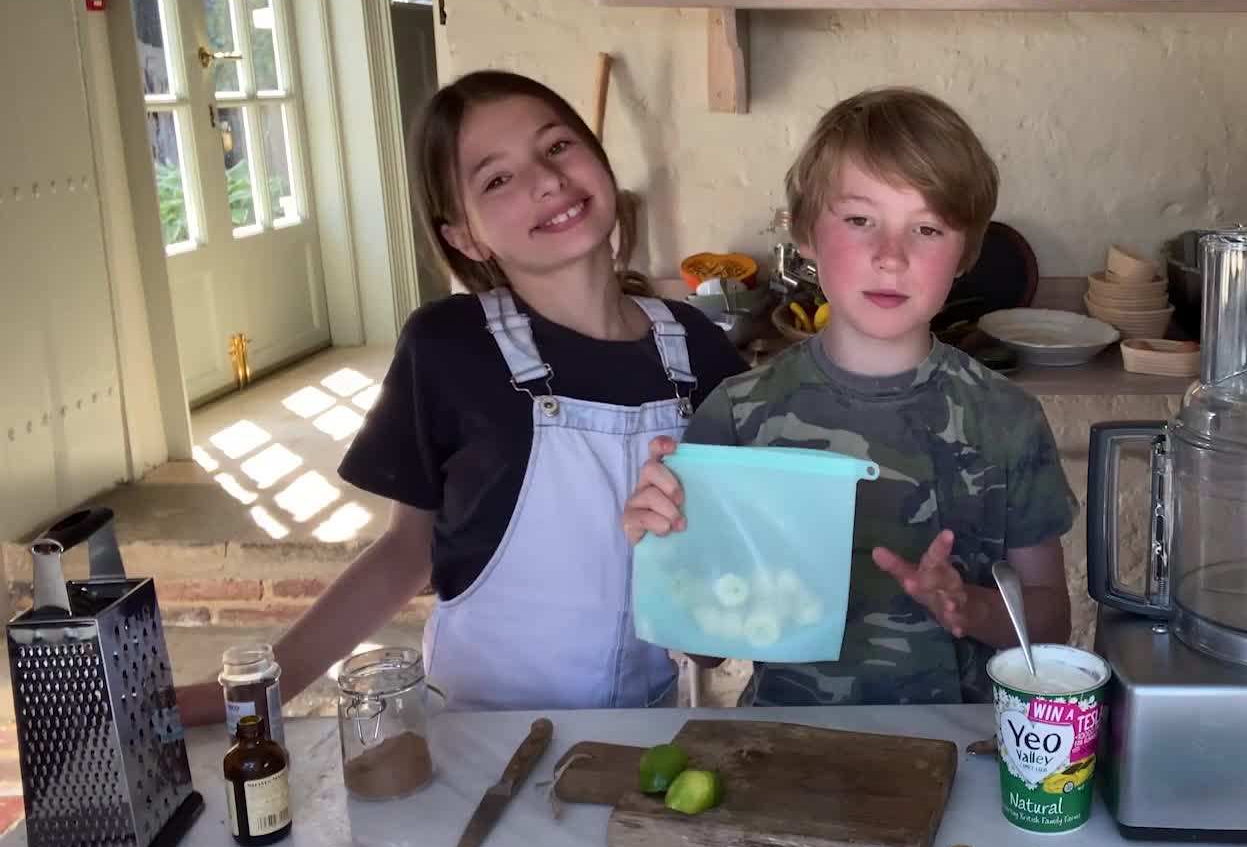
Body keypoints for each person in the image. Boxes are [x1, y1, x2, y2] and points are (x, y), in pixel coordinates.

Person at [178, 70, 745, 723]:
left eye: (557, 147)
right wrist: (262, 687)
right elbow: (402, 555)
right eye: (496, 179)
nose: (545, 180)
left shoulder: (696, 347)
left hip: (645, 730)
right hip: (475, 740)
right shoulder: (449, 347)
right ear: (465, 237)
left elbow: (720, 565)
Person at [623, 87, 1075, 706]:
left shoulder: (1006, 419)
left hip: (961, 756)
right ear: (806, 233)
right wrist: (664, 547)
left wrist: (967, 606)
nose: (891, 257)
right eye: (860, 220)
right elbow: (704, 647)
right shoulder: (739, 415)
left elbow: (1051, 624)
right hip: (790, 754)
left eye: (926, 227)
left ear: (964, 254)